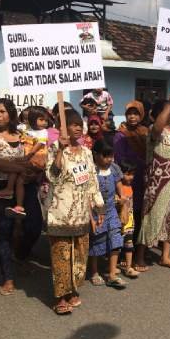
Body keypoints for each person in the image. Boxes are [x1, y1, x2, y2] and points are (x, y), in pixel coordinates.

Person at [44, 109, 105, 314]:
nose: (78, 127)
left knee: (79, 255)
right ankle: (60, 296)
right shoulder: (54, 149)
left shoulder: (87, 152)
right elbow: (52, 177)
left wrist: (98, 206)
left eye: (80, 123)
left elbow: (92, 182)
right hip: (60, 212)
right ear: (63, 127)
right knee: (61, 255)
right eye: (73, 124)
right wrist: (61, 151)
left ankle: (73, 290)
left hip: (81, 213)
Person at [0, 99, 44, 295]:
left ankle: (20, 256)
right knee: (5, 230)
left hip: (26, 186)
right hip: (0, 187)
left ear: (10, 113)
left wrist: (32, 167)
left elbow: (37, 153)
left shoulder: (22, 135)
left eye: (1, 111)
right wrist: (20, 166)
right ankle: (8, 277)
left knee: (34, 226)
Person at [134, 91, 170, 271]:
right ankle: (140, 257)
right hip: (159, 183)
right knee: (151, 216)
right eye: (168, 111)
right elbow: (158, 127)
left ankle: (165, 256)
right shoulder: (154, 130)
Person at [0, 107, 47, 217]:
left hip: (36, 159)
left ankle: (9, 189)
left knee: (15, 166)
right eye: (41, 120)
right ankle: (19, 205)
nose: (44, 123)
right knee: (20, 179)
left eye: (45, 120)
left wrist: (28, 155)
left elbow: (40, 144)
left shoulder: (43, 132)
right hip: (28, 158)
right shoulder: (26, 129)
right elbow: (17, 128)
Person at [88, 140, 127, 289]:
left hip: (111, 209)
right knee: (97, 240)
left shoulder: (115, 168)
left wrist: (122, 199)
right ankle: (94, 272)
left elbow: (118, 184)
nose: (109, 159)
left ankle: (112, 274)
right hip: (96, 210)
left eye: (111, 156)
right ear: (96, 155)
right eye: (106, 156)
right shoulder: (91, 170)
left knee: (116, 238)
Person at [113, 101, 149, 248]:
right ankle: (123, 247)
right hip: (128, 178)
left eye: (136, 113)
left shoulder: (146, 132)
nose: (132, 117)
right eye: (129, 113)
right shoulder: (120, 134)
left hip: (143, 177)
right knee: (127, 210)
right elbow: (119, 157)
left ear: (141, 115)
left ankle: (137, 245)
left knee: (140, 210)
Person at [117, 161, 139, 278]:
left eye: (132, 174)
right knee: (116, 243)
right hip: (119, 219)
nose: (131, 177)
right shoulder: (118, 187)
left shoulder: (130, 187)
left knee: (129, 242)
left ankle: (129, 267)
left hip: (129, 219)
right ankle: (114, 265)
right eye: (127, 174)